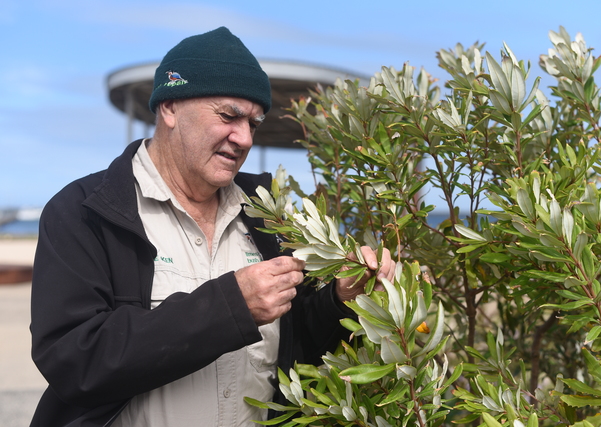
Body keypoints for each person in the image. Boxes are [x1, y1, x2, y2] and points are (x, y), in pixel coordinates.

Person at [29, 27, 394, 427]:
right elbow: (73, 362)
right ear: (169, 107)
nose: (243, 138)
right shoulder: (83, 210)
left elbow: (297, 347)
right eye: (228, 115)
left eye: (253, 123)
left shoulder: (268, 215)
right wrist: (230, 307)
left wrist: (339, 299)